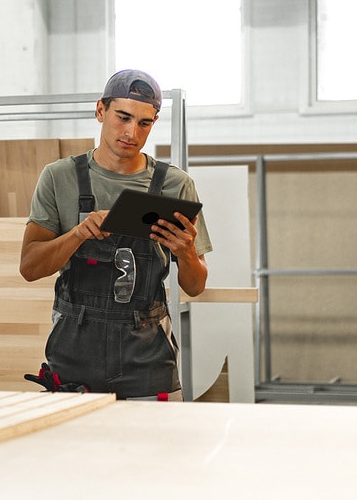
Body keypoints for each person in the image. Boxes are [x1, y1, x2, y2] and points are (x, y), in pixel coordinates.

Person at [19, 69, 212, 400]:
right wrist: (77, 234)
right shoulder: (59, 177)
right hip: (73, 362)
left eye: (144, 123)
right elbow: (29, 267)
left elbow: (195, 285)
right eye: (122, 117)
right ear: (100, 111)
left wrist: (187, 252)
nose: (131, 132)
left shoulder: (175, 186)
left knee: (157, 451)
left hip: (147, 364)